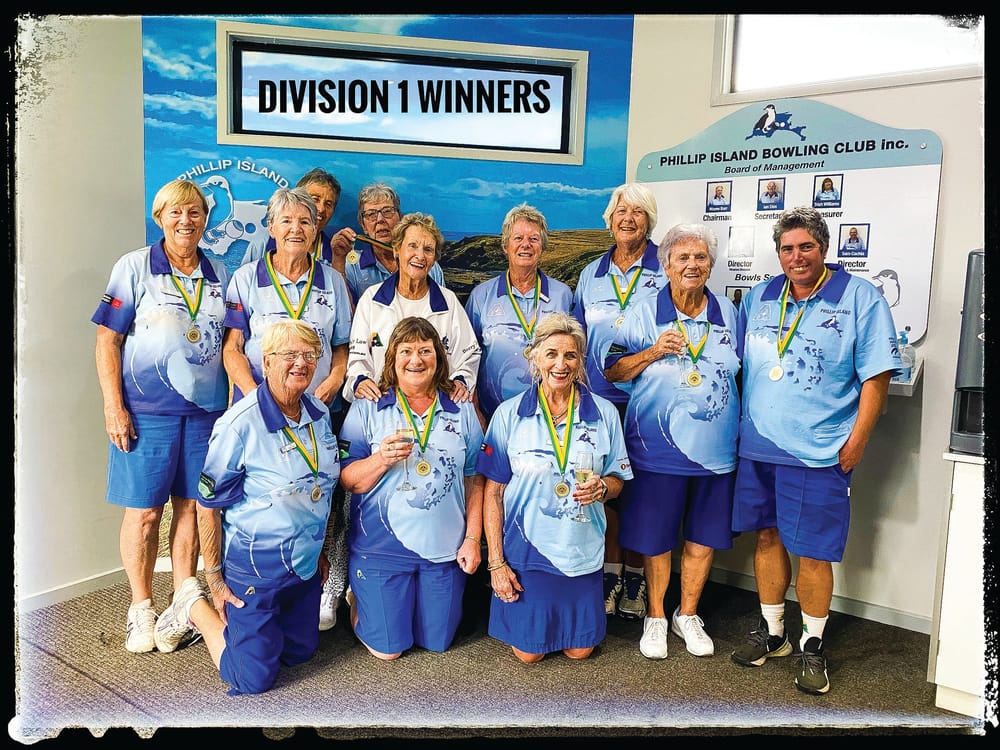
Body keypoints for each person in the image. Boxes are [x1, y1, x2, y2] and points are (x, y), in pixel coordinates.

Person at [730, 206, 901, 695]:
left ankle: (812, 645)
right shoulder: (761, 296)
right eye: (787, 248)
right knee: (765, 539)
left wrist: (857, 441)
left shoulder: (859, 298)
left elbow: (877, 375)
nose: (796, 256)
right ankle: (773, 631)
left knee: (813, 552)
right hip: (759, 447)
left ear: (823, 249)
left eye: (805, 247)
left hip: (819, 450)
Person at [153, 320, 340, 694]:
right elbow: (208, 506)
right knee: (252, 679)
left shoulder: (318, 413)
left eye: (309, 355)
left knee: (299, 653)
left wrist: (319, 551)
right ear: (265, 361)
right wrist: (215, 579)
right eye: (289, 355)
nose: (300, 363)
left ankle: (263, 623)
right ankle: (193, 606)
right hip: (255, 569)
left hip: (301, 567)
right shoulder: (239, 424)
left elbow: (320, 489)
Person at [92, 179, 230, 654]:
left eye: (194, 213)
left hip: (205, 415)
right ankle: (141, 608)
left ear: (206, 219)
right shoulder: (133, 267)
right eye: (176, 213)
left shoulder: (220, 273)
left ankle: (181, 603)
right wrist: (114, 405)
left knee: (192, 507)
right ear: (160, 218)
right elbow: (107, 340)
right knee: (147, 512)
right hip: (146, 413)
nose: (185, 221)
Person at [604, 224, 740, 660]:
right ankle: (657, 617)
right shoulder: (644, 312)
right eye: (682, 258)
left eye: (700, 257)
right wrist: (653, 352)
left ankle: (688, 613)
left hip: (716, 451)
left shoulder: (728, 313)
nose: (692, 265)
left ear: (711, 265)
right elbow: (612, 370)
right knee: (658, 539)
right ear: (665, 265)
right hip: (657, 449)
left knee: (702, 538)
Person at [221, 185, 353, 631]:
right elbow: (233, 348)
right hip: (261, 415)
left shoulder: (332, 281)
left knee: (319, 499)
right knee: (253, 498)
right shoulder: (245, 279)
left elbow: (341, 348)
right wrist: (257, 396)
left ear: (317, 229)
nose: (296, 229)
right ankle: (237, 589)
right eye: (287, 221)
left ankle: (317, 587)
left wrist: (334, 381)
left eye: (306, 221)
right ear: (272, 227)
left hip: (315, 414)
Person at [476, 313, 632, 663]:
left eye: (570, 355)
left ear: (580, 361)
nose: (561, 364)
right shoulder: (508, 414)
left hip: (580, 551)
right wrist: (496, 563)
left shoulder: (604, 413)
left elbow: (618, 480)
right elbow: (493, 493)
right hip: (527, 552)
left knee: (580, 652)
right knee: (528, 655)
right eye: (551, 354)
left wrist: (602, 489)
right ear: (534, 358)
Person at [338, 317, 485, 659]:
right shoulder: (368, 406)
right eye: (406, 351)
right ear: (392, 359)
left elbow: (475, 478)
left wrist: (473, 539)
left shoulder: (461, 407)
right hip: (381, 547)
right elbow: (346, 478)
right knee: (389, 651)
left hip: (444, 549)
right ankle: (358, 596)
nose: (416, 359)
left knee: (437, 643)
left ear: (439, 358)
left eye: (425, 350)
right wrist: (381, 459)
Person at [573, 183, 667, 622]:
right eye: (620, 211)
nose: (628, 219)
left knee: (642, 497)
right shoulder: (591, 273)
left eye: (638, 212)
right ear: (609, 219)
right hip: (597, 401)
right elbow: (576, 337)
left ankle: (636, 577)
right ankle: (610, 574)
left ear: (649, 220)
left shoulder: (666, 267)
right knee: (605, 495)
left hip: (650, 403)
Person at [344, 211, 480, 405]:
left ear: (434, 258)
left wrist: (461, 380)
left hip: (435, 411)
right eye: (412, 246)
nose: (420, 256)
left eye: (428, 249)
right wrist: (361, 380)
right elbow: (358, 357)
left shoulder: (448, 302)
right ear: (397, 250)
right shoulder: (371, 300)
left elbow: (469, 355)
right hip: (381, 408)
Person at [465, 203, 573, 425]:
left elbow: (575, 355)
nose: (526, 244)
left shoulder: (563, 294)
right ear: (505, 245)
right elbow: (468, 359)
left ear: (542, 246)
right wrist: (476, 412)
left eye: (533, 239)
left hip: (550, 418)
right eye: (518, 238)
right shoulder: (481, 296)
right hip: (493, 416)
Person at [343, 182, 445, 306]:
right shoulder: (352, 266)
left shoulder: (428, 266)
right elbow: (347, 315)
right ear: (363, 226)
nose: (380, 219)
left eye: (387, 211)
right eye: (371, 214)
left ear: (400, 218)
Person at [240, 168, 355, 276]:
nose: (321, 209)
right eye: (315, 199)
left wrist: (338, 262)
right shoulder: (262, 244)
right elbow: (243, 286)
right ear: (298, 199)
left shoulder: (337, 252)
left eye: (328, 204)